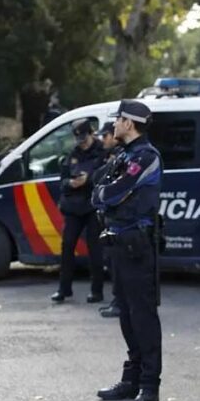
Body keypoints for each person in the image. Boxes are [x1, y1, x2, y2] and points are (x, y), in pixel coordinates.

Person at [93, 100, 163, 401]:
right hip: (119, 242)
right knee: (125, 313)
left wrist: (104, 195)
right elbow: (98, 187)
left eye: (119, 120)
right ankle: (131, 379)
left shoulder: (145, 157)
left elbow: (112, 192)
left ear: (130, 124)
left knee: (143, 316)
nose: (115, 125)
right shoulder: (124, 155)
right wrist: (103, 195)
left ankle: (149, 385)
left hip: (136, 245)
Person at [51, 119, 106, 303]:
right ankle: (64, 289)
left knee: (94, 249)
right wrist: (71, 183)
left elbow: (105, 176)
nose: (82, 143)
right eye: (79, 140)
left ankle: (96, 291)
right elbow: (63, 181)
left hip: (92, 206)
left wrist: (88, 180)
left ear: (91, 133)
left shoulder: (102, 152)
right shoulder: (73, 154)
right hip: (73, 207)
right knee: (67, 247)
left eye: (84, 139)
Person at [92, 121, 123, 318]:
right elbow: (97, 176)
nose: (102, 140)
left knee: (118, 264)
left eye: (105, 136)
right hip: (108, 219)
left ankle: (119, 302)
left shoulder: (122, 155)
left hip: (120, 221)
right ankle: (117, 300)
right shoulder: (106, 155)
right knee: (112, 262)